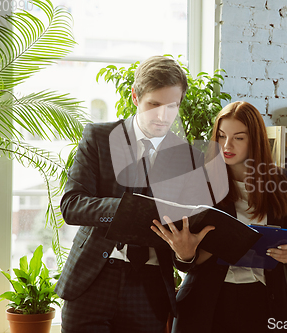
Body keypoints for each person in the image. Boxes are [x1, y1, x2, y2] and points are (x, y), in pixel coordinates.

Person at [56, 55, 214, 333]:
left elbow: (185, 237)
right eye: (154, 105)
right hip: (93, 280)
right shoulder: (99, 138)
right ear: (135, 97)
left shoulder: (190, 159)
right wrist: (128, 210)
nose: (163, 116)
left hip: (149, 288)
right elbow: (72, 205)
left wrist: (186, 254)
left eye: (172, 106)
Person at [165, 101, 287, 333]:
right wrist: (186, 253)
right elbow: (181, 259)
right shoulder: (199, 183)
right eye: (221, 136)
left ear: (255, 140)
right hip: (209, 303)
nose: (227, 145)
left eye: (238, 138)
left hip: (264, 302)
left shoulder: (281, 184)